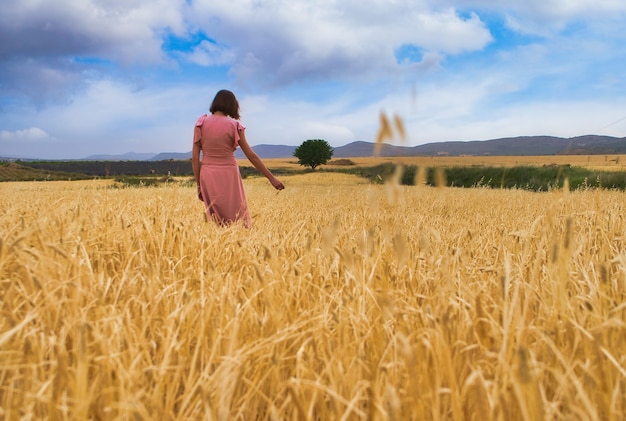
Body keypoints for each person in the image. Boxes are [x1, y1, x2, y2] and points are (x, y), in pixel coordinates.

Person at [192, 89, 285, 228]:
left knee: (216, 222)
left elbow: (194, 159)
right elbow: (251, 155)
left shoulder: (201, 123)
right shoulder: (234, 126)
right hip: (229, 175)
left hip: (207, 175)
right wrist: (272, 178)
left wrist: (199, 185)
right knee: (237, 218)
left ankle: (218, 248)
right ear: (232, 105)